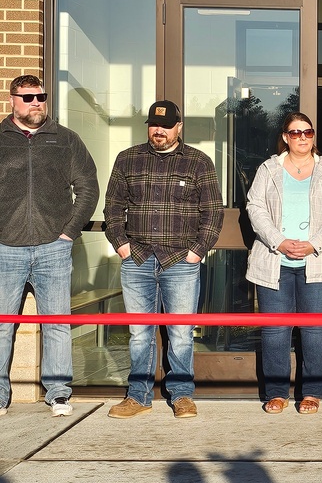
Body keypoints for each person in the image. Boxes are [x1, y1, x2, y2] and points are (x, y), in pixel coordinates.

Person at [104, 99, 224, 419]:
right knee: (140, 332)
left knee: (181, 332)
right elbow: (113, 208)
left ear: (178, 127)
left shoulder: (198, 162)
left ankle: (182, 394)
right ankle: (138, 396)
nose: (159, 130)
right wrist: (121, 245)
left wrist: (198, 250)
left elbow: (212, 213)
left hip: (180, 262)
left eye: (166, 125)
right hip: (138, 258)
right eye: (154, 125)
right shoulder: (128, 159)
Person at [0, 74, 99, 417]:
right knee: (2, 324)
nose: (36, 103)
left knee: (56, 322)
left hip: (53, 249)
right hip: (5, 249)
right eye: (28, 97)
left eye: (41, 96)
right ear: (12, 99)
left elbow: (87, 187)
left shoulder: (66, 139)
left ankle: (58, 393)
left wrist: (69, 232)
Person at [246, 112, 322, 415]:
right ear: (285, 136)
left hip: (319, 260)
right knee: (275, 330)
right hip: (274, 260)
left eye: (307, 132)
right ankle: (276, 392)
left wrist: (314, 243)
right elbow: (255, 207)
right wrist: (278, 241)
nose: (302, 137)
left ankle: (313, 392)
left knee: (315, 330)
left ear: (314, 136)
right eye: (295, 133)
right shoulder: (269, 169)